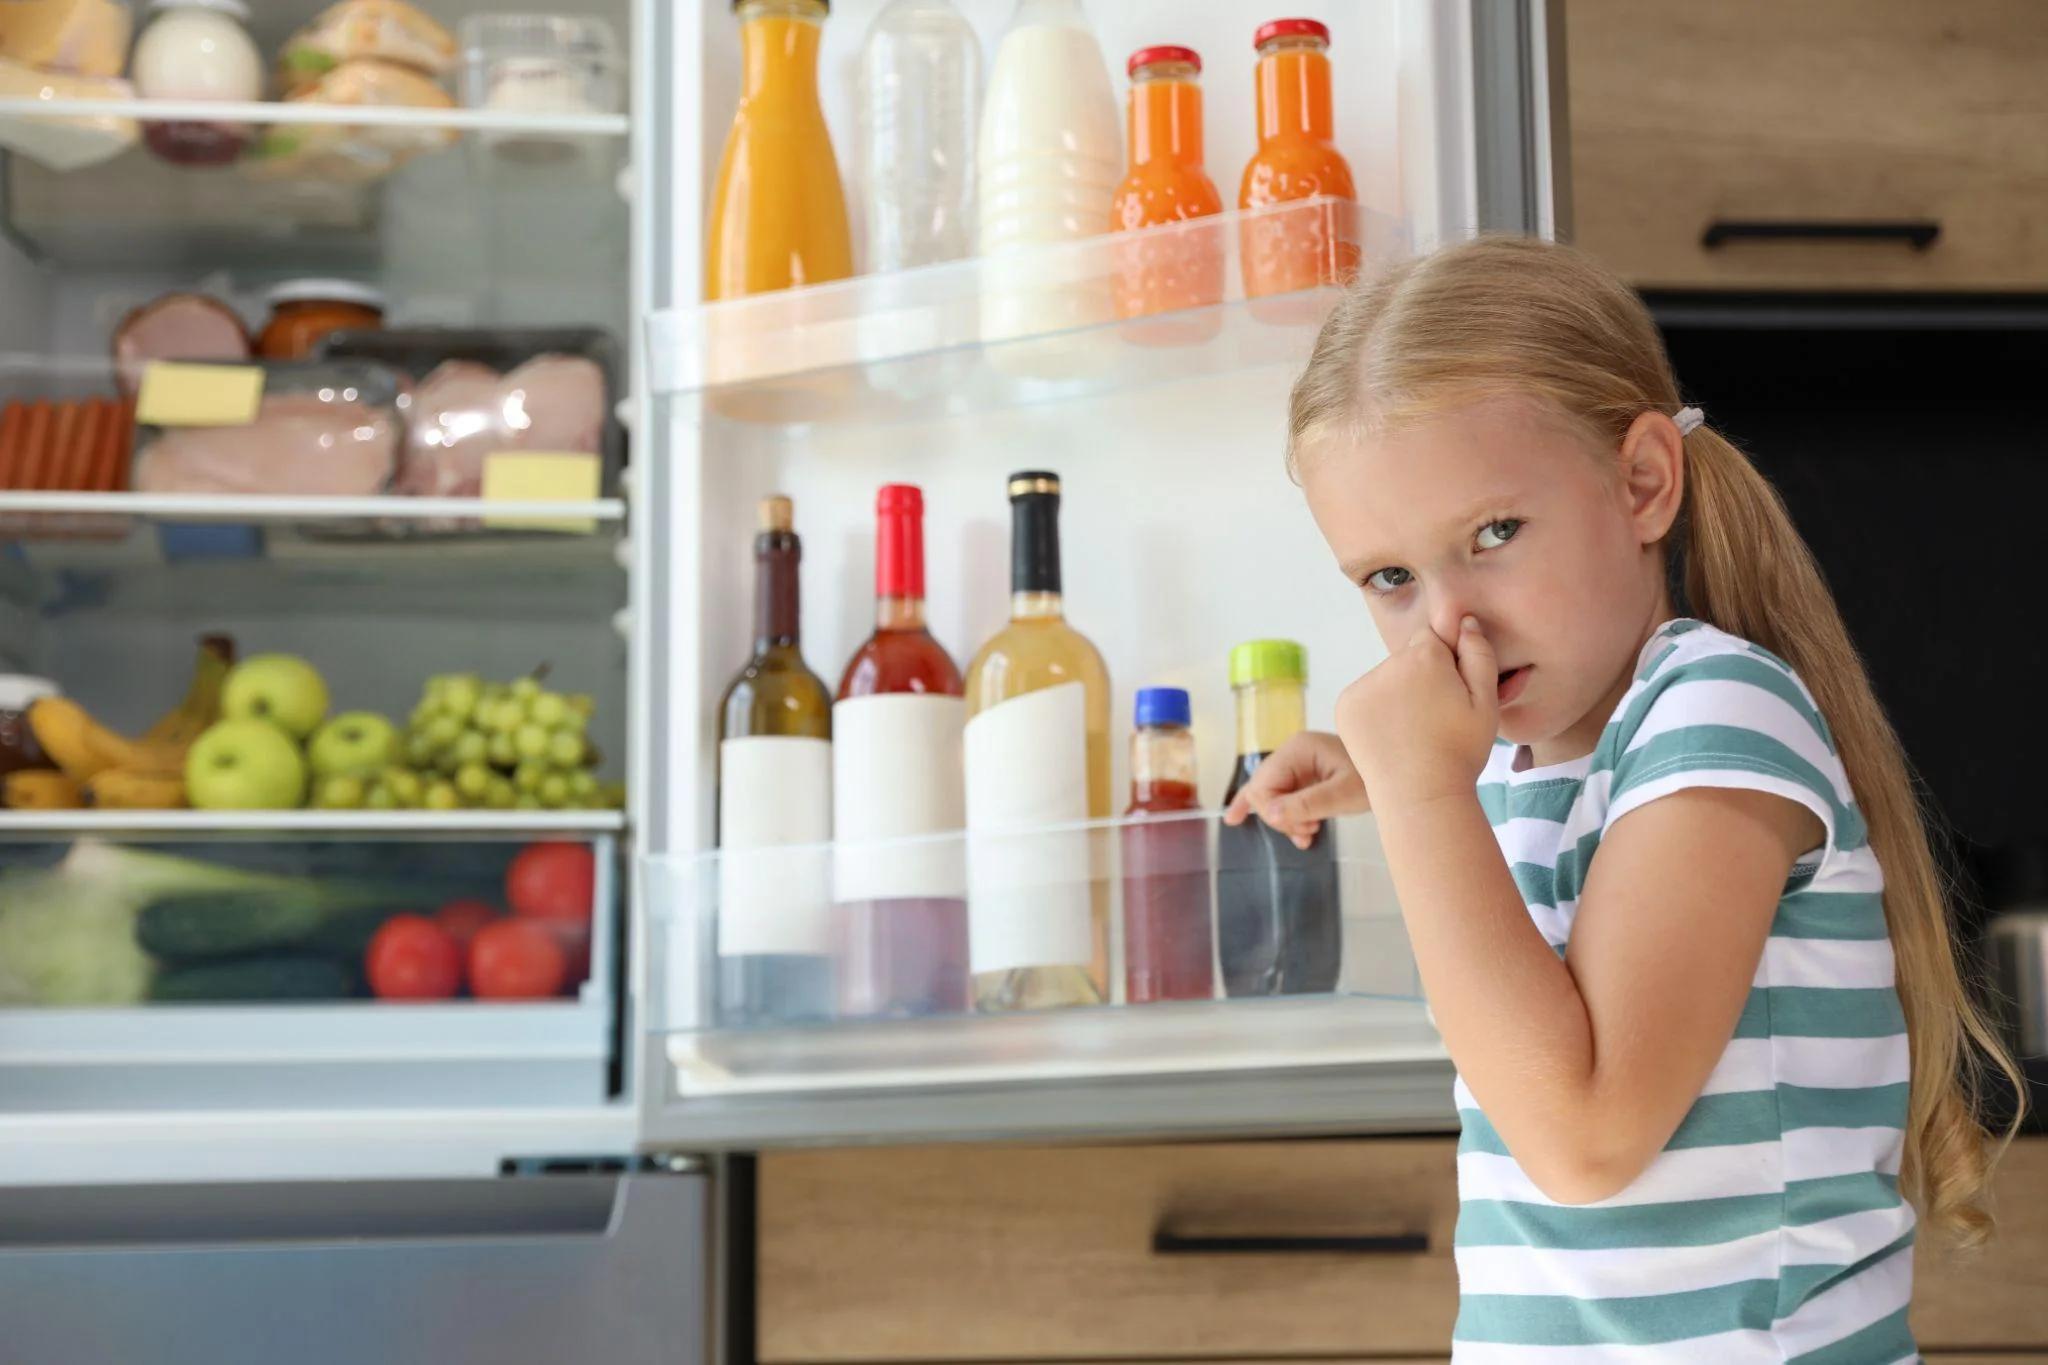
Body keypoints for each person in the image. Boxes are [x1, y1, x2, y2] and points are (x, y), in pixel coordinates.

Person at [1223, 236, 2018, 1362]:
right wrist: (1391, 779)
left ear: (1642, 482)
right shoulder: (1537, 759)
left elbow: (1585, 1137)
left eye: (1493, 534)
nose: (1450, 625)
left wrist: (1418, 794)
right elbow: (1557, 841)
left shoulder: (1720, 714)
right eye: (1389, 578)